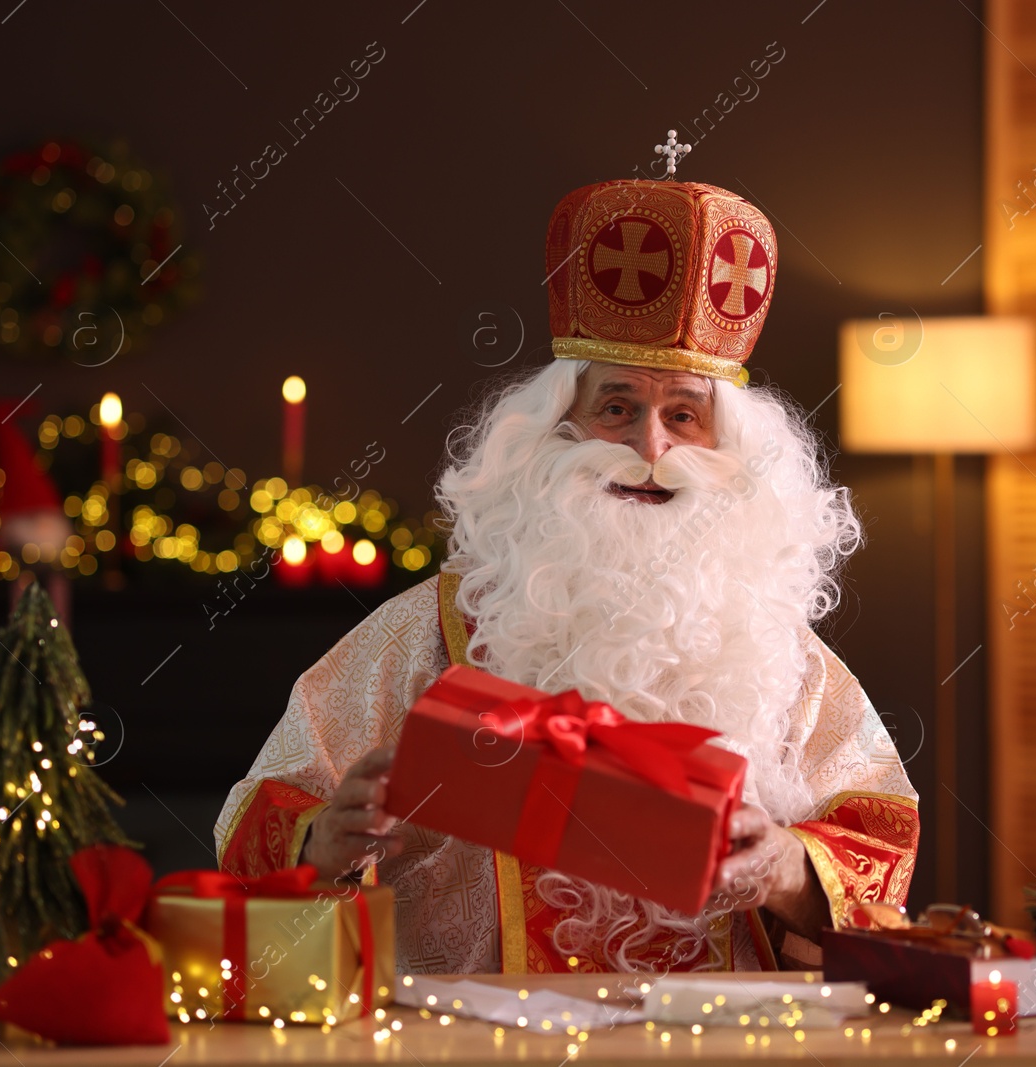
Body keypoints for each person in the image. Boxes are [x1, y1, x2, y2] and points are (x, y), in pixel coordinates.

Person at [216, 153, 918, 975]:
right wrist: (321, 841)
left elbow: (879, 855)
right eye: (616, 408)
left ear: (732, 451)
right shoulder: (428, 631)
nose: (650, 451)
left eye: (684, 415)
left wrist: (786, 870)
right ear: (551, 433)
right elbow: (259, 818)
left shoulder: (776, 652)